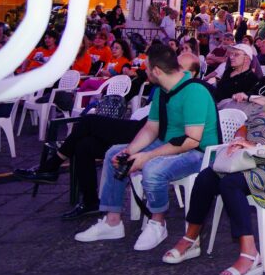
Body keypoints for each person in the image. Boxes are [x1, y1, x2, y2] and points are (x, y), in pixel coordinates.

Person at [163, 59, 265, 275]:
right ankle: (191, 239)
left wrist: (258, 148)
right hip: (254, 160)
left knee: (231, 183)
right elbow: (248, 124)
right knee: (207, 177)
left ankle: (250, 254)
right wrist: (240, 138)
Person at [73, 44, 218, 251]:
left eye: (147, 68)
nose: (144, 71)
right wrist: (130, 151)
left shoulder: (195, 91)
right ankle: (112, 221)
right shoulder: (162, 90)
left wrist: (147, 156)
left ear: (157, 71)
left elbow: (191, 140)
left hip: (200, 152)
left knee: (153, 168)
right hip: (173, 143)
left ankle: (158, 222)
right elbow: (151, 128)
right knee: (115, 154)